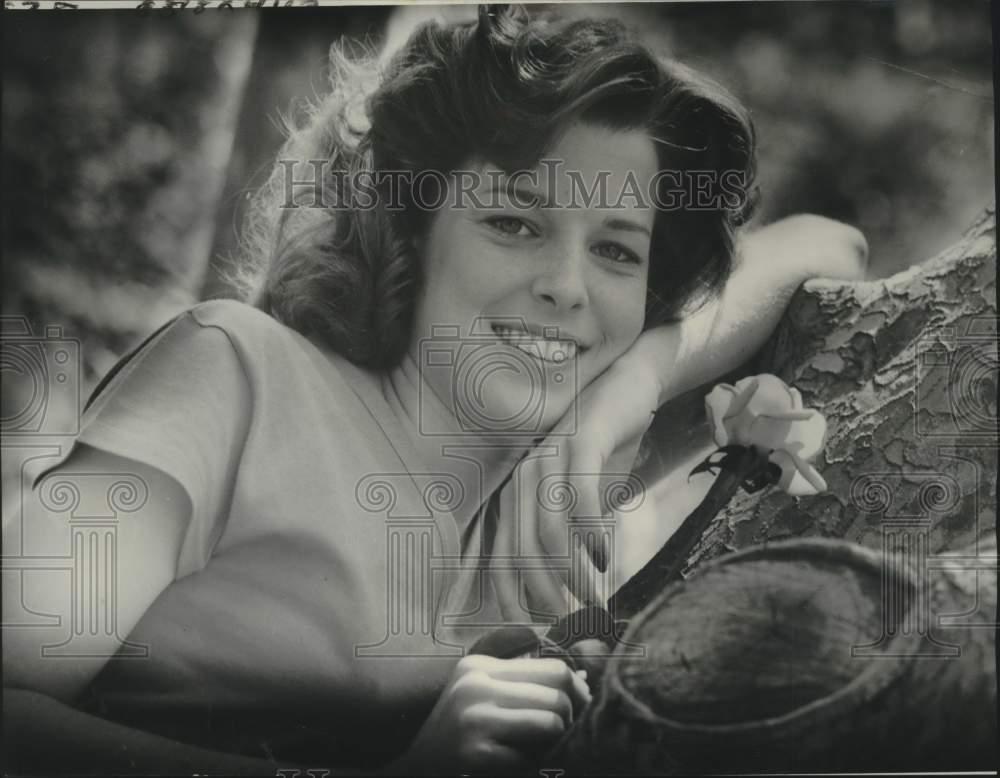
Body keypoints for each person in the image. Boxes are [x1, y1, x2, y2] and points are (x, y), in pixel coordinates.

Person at [2, 6, 868, 775]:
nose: (568, 285)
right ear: (411, 230)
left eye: (616, 249)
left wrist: (636, 382)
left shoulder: (560, 482)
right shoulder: (232, 372)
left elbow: (826, 247)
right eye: (514, 222)